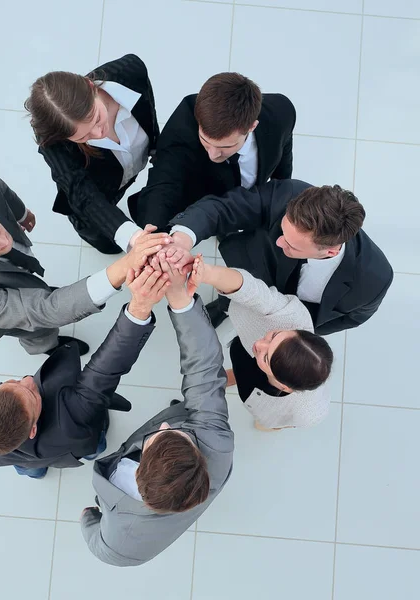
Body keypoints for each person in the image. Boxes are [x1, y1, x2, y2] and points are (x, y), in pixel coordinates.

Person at [0, 161, 170, 355]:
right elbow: (42, 309)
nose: (6, 242)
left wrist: (20, 214)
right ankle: (47, 347)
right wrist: (124, 267)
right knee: (35, 328)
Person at [81, 258, 234, 567]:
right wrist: (180, 298)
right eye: (176, 433)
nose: (163, 424)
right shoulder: (217, 444)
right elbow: (204, 368)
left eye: (158, 436)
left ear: (139, 473)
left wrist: (88, 518)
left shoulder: (122, 545)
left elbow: (102, 548)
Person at [0, 266, 171, 476]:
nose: (27, 379)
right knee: (94, 443)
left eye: (13, 382)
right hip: (70, 444)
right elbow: (107, 366)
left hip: (18, 453)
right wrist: (140, 306)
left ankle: (33, 470)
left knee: (26, 466)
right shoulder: (70, 418)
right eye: (31, 394)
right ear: (33, 430)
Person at [167, 180, 393, 335]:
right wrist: (182, 238)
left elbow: (353, 318)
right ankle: (223, 307)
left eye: (292, 245)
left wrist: (295, 328)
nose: (278, 241)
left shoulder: (374, 281)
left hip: (293, 314)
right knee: (235, 294)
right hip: (258, 268)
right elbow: (223, 208)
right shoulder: (288, 194)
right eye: (283, 231)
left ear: (330, 251)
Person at [26, 54, 159, 254]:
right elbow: (83, 193)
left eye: (96, 118)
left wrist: (157, 148)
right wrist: (131, 236)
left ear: (90, 86)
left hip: (128, 169)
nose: (99, 133)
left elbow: (148, 107)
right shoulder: (53, 144)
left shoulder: (131, 70)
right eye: (84, 136)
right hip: (94, 193)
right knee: (106, 243)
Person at [133, 71, 296, 230]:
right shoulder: (183, 123)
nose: (213, 154)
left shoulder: (281, 112)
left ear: (252, 126)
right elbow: (165, 178)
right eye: (205, 141)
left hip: (249, 198)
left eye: (226, 147)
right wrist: (154, 233)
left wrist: (281, 197)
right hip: (202, 197)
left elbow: (285, 147)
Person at [189, 254, 333, 430]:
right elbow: (253, 291)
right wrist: (208, 273)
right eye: (274, 336)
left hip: (258, 391)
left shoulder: (308, 412)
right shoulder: (292, 315)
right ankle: (234, 376)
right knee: (240, 362)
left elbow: (291, 422)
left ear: (284, 386)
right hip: (246, 360)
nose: (258, 344)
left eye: (266, 357)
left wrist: (273, 425)